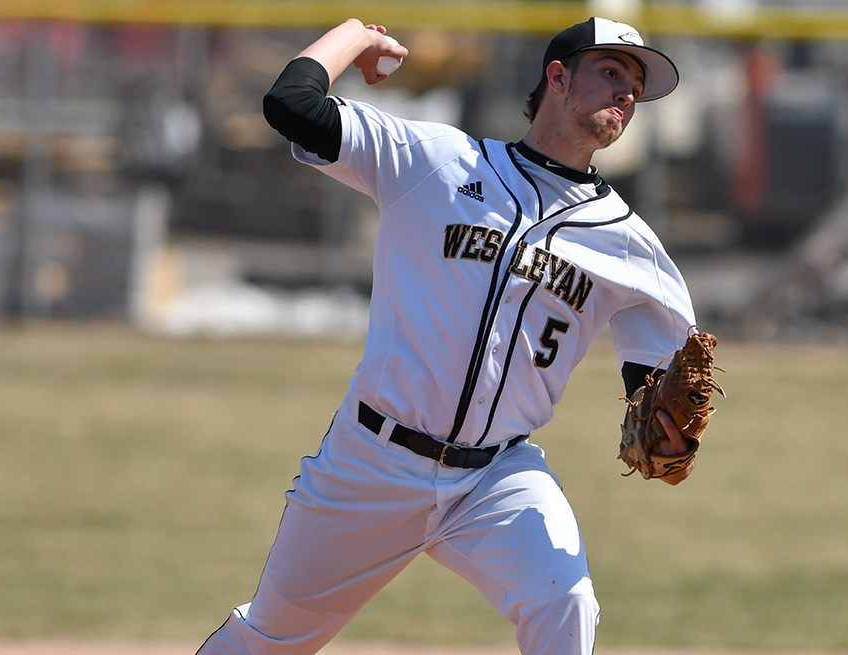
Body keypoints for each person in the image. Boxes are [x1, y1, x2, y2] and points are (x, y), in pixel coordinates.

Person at [198, 16, 698, 655]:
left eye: (636, 85)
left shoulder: (630, 244)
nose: (626, 93)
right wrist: (356, 34)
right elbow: (291, 105)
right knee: (270, 639)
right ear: (557, 77)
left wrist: (669, 425)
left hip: (495, 478)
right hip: (371, 460)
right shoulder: (437, 162)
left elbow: (658, 378)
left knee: (564, 601)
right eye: (611, 73)